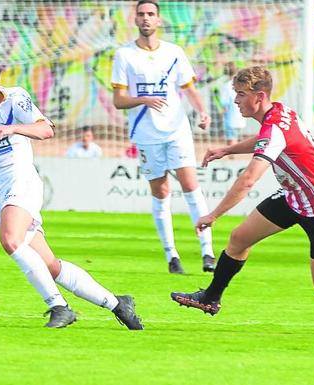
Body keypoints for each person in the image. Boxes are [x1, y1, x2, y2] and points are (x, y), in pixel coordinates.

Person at [171, 66, 314, 335]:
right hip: (294, 198)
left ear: (259, 96)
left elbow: (248, 181)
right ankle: (211, 298)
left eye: (241, 94)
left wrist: (214, 215)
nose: (236, 100)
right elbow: (264, 140)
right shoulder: (280, 115)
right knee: (239, 239)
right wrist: (228, 149)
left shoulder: (275, 128)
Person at [0, 55, 143, 330]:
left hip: (20, 181)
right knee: (50, 266)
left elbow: (46, 129)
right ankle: (118, 304)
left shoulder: (15, 100)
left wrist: (12, 129)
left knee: (11, 240)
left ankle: (58, 307)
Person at [111, 0, 215, 274]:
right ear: (135, 20)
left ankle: (207, 252)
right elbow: (119, 100)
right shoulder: (124, 55)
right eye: (141, 14)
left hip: (176, 129)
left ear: (159, 20)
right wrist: (142, 98)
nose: (146, 18)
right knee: (161, 190)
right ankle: (172, 255)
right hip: (146, 133)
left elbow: (189, 88)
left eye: (151, 14)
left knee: (191, 184)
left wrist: (202, 111)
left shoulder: (174, 52)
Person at [218, 62, 245, 147]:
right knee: (235, 136)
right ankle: (233, 154)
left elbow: (224, 102)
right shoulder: (240, 84)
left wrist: (222, 112)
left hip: (231, 116)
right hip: (240, 115)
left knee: (231, 138)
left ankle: (232, 156)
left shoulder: (227, 85)